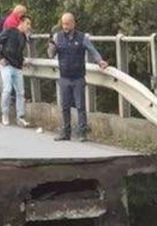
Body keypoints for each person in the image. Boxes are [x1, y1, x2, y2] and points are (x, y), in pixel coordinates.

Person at [47, 11, 106, 140]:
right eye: (63, 24)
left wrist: (100, 61)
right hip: (64, 77)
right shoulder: (58, 37)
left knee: (80, 106)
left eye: (67, 24)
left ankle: (82, 132)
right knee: (65, 106)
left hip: (78, 77)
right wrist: (52, 44)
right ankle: (65, 132)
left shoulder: (82, 37)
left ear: (73, 24)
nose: (65, 27)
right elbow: (51, 55)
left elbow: (92, 50)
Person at [0, 12, 32, 126]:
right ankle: (5, 114)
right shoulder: (10, 31)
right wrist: (0, 57)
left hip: (17, 66)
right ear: (21, 23)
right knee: (8, 89)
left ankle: (20, 117)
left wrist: (23, 61)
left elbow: (19, 51)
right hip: (7, 65)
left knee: (20, 92)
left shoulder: (23, 37)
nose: (29, 26)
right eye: (27, 23)